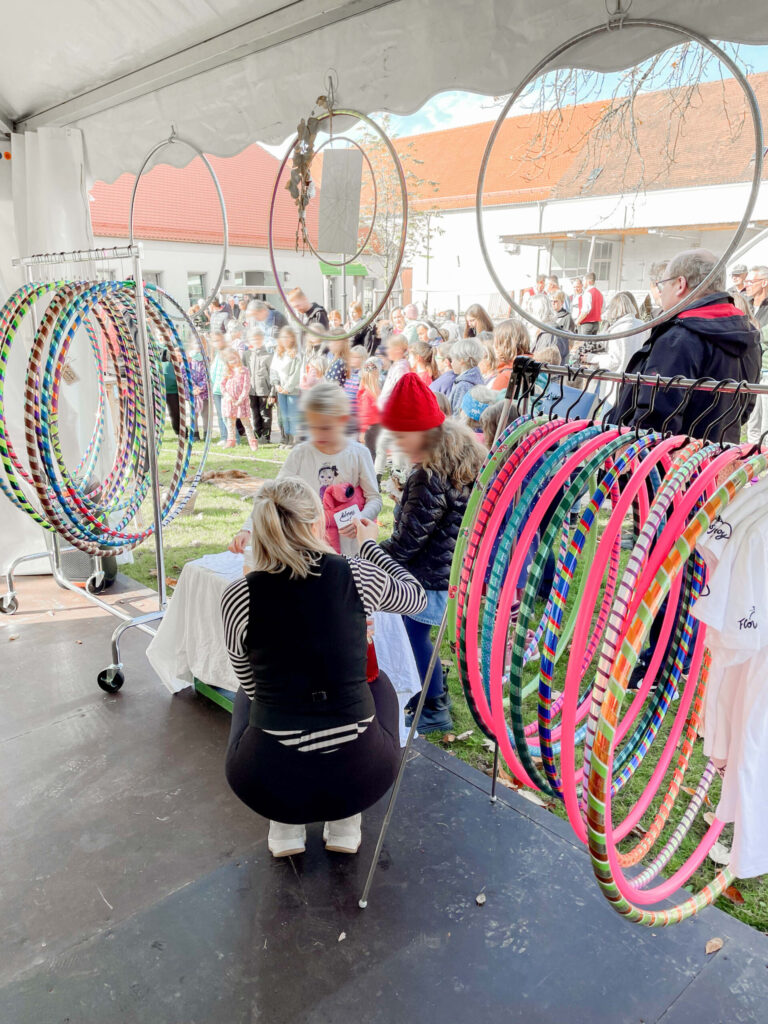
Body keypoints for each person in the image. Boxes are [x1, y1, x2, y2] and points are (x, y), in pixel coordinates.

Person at [222, 476, 426, 857]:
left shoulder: (238, 595)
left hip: (265, 781)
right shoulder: (356, 574)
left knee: (248, 699)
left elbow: (250, 684)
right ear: (317, 524)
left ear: (261, 530)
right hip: (361, 776)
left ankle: (285, 827)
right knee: (378, 684)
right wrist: (368, 544)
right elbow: (414, 597)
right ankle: (345, 823)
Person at [380, 374, 485, 733]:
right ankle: (429, 694)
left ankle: (433, 706)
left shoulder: (428, 475)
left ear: (421, 432)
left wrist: (368, 552)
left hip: (428, 577)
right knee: (420, 635)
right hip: (448, 571)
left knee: (413, 636)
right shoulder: (459, 454)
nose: (395, 443)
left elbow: (409, 542)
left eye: (400, 435)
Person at [610, 248, 761, 443]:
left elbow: (656, 417)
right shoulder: (748, 333)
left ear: (680, 284)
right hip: (718, 457)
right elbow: (745, 409)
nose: (661, 293)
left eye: (663, 284)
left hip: (671, 465)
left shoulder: (678, 337)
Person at [231, 380, 382, 558]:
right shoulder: (300, 454)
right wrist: (248, 529)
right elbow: (271, 496)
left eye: (325, 427)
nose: (318, 434)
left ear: (343, 421)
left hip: (351, 548)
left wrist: (360, 519)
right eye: (312, 427)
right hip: (309, 548)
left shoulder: (358, 454)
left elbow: (374, 498)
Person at [579, 291, 650, 407]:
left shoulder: (617, 330)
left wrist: (594, 358)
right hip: (636, 382)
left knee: (607, 421)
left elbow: (614, 361)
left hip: (616, 383)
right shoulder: (642, 326)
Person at [744, 266, 768, 444]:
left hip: (766, 371)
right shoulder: (747, 304)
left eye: (751, 282)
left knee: (765, 425)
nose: (747, 286)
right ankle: (750, 464)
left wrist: (752, 334)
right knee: (752, 422)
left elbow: (761, 335)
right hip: (752, 370)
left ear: (764, 282)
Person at [270, 327, 302, 446]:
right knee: (283, 415)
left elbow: (296, 373)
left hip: (292, 390)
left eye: (288, 337)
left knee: (292, 414)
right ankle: (286, 438)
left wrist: (288, 387)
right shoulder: (278, 353)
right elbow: (273, 370)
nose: (286, 340)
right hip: (280, 389)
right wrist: (277, 384)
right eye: (283, 337)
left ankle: (294, 439)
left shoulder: (296, 354)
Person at [221, 349, 257, 449]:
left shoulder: (244, 370)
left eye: (234, 358)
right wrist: (227, 395)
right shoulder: (227, 371)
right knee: (230, 422)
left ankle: (252, 442)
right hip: (230, 401)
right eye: (230, 360)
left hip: (241, 401)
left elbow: (246, 386)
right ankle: (231, 440)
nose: (233, 361)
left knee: (245, 422)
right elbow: (222, 385)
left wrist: (241, 399)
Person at [245, 327, 273, 442]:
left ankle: (266, 436)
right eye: (253, 339)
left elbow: (272, 375)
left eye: (258, 339)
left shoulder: (268, 355)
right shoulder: (247, 355)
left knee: (265, 414)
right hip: (251, 390)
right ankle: (257, 435)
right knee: (254, 413)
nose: (256, 341)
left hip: (264, 391)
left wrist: (272, 392)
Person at [528, 292, 569, 364]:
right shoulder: (549, 330)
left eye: (530, 312)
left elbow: (543, 365)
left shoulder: (549, 334)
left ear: (537, 312)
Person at [449, 339, 485, 415]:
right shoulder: (478, 379)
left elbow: (458, 417)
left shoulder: (463, 386)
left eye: (452, 359)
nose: (451, 363)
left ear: (462, 360)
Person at [492, 318, 530, 392]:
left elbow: (492, 402)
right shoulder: (536, 367)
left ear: (504, 345)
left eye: (495, 342)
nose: (493, 346)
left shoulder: (505, 377)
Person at [357, 358, 382, 460]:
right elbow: (366, 414)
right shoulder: (372, 393)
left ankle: (370, 472)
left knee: (370, 452)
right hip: (373, 427)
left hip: (372, 427)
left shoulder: (369, 393)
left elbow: (366, 415)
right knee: (371, 452)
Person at [208, 332, 230, 444]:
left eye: (218, 340)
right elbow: (213, 372)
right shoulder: (215, 354)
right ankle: (224, 436)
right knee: (220, 415)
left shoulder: (227, 353)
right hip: (216, 388)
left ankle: (232, 437)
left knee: (227, 415)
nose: (217, 343)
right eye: (214, 341)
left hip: (224, 389)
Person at [188, 338, 209, 442]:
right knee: (194, 413)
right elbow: (185, 373)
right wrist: (193, 387)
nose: (198, 345)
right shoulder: (189, 359)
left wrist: (201, 387)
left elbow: (207, 376)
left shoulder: (206, 360)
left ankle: (206, 433)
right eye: (196, 343)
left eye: (201, 343)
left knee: (205, 413)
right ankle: (195, 433)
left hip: (204, 392)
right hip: (193, 392)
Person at [162, 348, 180, 437]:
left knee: (175, 413)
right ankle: (155, 433)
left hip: (173, 391)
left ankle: (179, 432)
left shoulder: (179, 363)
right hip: (161, 390)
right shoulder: (162, 358)